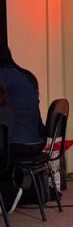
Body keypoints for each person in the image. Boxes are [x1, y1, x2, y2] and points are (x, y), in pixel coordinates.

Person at [0, 46, 46, 211]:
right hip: (36, 141)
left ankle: (7, 194)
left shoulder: (3, 77)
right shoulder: (24, 76)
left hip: (16, 144)